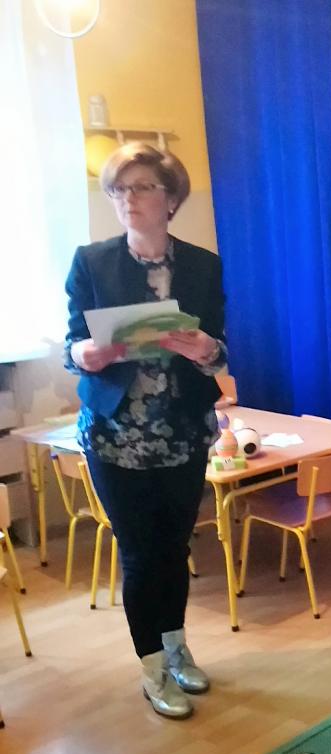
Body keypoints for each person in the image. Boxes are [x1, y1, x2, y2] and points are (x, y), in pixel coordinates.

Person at [64, 142, 227, 719]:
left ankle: (177, 648)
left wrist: (207, 349)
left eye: (141, 187)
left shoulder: (203, 265)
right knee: (139, 553)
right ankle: (152, 667)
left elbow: (219, 348)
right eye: (118, 189)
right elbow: (72, 344)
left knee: (175, 547)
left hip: (182, 431)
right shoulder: (93, 262)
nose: (127, 199)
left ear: (171, 198)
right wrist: (85, 354)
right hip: (116, 434)